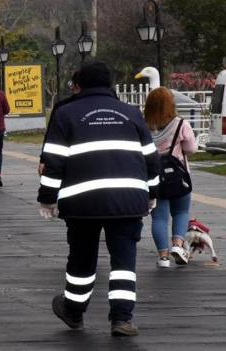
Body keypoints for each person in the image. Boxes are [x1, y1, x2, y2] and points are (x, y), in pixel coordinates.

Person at [38, 62, 160, 337]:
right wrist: (152, 194)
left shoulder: (66, 113)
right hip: (128, 200)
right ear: (110, 84)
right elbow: (152, 159)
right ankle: (122, 319)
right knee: (124, 262)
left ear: (78, 83)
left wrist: (47, 198)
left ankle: (74, 311)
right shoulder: (131, 113)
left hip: (82, 203)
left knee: (82, 260)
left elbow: (53, 161)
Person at [144, 87, 198, 268]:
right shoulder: (181, 124)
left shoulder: (144, 126)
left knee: (159, 218)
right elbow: (191, 149)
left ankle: (163, 257)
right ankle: (178, 245)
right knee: (181, 212)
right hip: (178, 177)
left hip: (153, 177)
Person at [39, 71, 81, 176]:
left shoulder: (62, 108)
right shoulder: (117, 109)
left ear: (75, 85)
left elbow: (51, 136)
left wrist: (44, 160)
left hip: (69, 163)